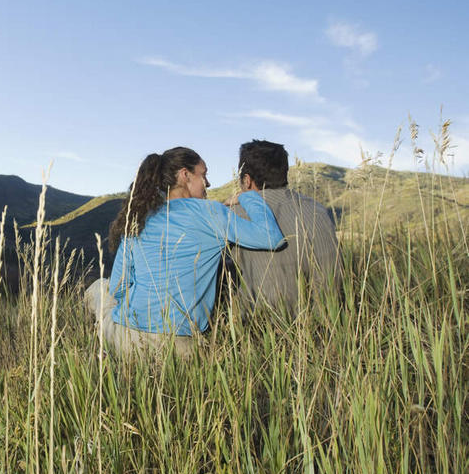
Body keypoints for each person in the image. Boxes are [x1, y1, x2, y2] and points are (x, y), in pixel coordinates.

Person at [84, 146, 285, 358]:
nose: (208, 183)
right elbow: (271, 238)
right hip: (181, 348)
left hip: (125, 338)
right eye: (203, 175)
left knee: (99, 287)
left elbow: (118, 288)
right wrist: (247, 197)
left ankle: (102, 349)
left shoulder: (139, 218)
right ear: (184, 175)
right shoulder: (211, 212)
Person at [226, 140, 342, 318]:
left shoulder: (233, 215)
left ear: (247, 180)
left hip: (256, 328)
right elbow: (333, 278)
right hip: (322, 325)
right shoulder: (317, 210)